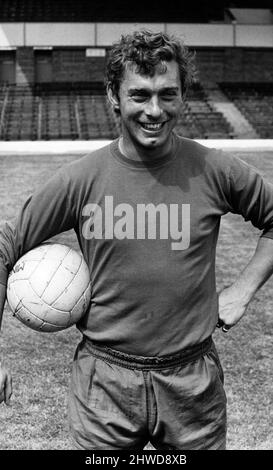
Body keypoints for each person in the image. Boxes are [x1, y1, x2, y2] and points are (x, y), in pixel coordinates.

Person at [1, 30, 273, 451]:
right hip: (104, 383)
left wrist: (243, 289)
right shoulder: (81, 180)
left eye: (168, 94)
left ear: (183, 96)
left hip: (192, 382)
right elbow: (5, 244)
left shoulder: (214, 169)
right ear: (114, 94)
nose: (154, 110)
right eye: (140, 95)